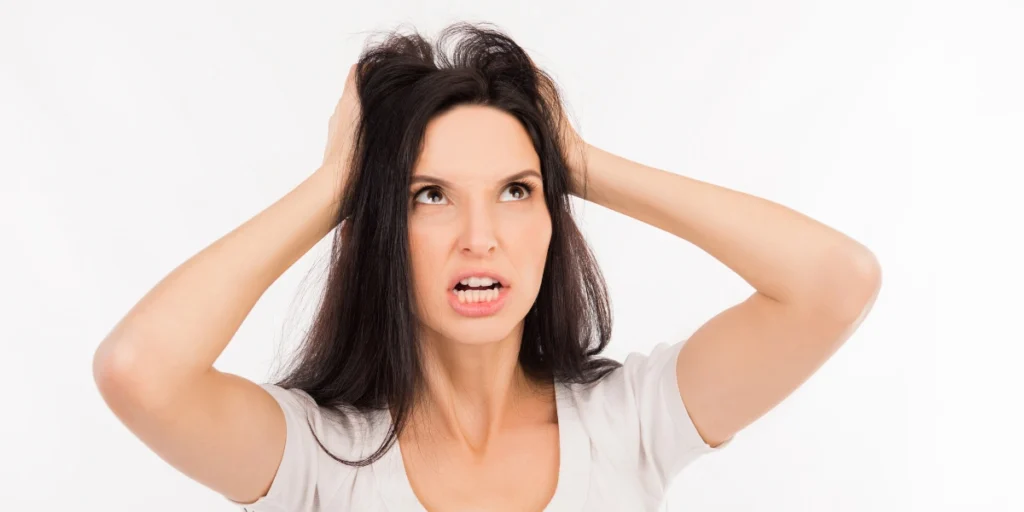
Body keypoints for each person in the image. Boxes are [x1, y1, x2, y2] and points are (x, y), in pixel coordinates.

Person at [92, 22, 881, 512]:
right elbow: (137, 370)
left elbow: (835, 280)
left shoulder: (627, 424)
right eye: (430, 196)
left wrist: (576, 158)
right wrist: (341, 181)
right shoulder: (315, 455)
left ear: (551, 217)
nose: (480, 237)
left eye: (514, 191)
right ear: (380, 232)